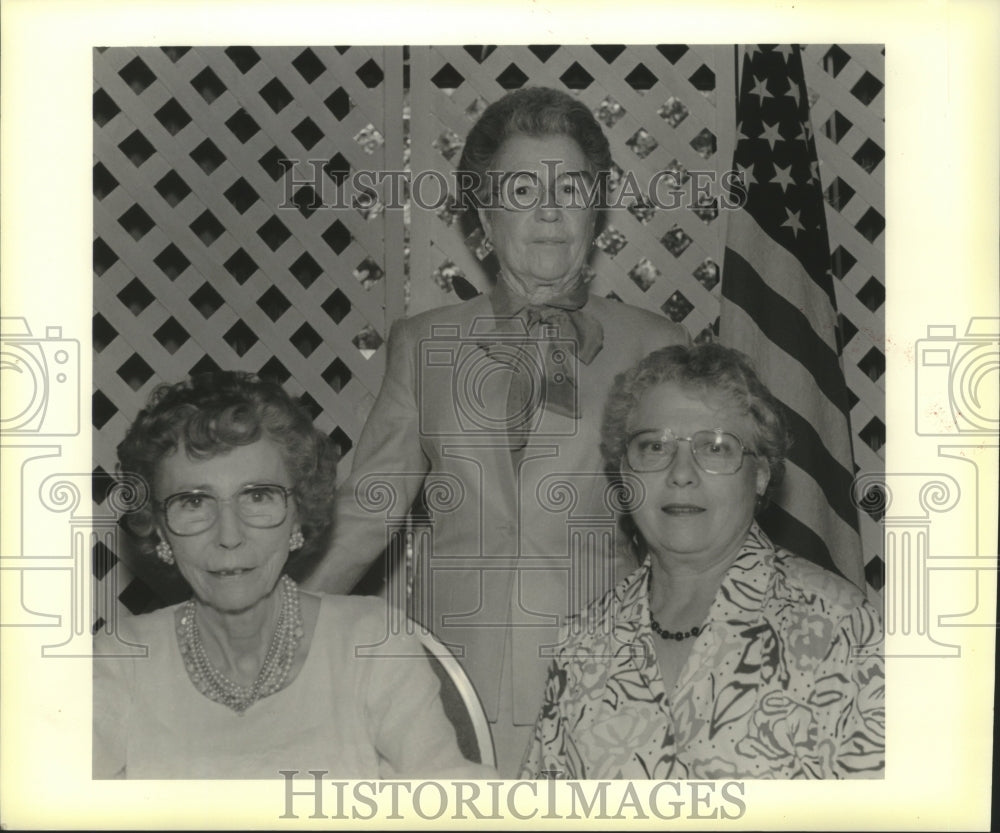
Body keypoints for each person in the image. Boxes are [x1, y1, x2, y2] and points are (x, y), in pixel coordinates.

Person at [304, 86, 688, 774]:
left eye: (569, 187)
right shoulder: (423, 343)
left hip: (612, 688)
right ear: (483, 213)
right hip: (449, 689)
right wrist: (278, 636)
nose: (547, 210)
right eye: (520, 189)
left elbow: (691, 524)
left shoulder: (656, 345)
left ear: (595, 208)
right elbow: (367, 512)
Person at [93, 372, 492, 779]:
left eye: (258, 496)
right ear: (159, 526)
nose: (229, 536)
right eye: (194, 502)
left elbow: (453, 796)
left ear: (298, 511)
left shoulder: (371, 640)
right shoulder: (122, 658)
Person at [521, 344, 885, 779]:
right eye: (654, 446)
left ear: (762, 474)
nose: (681, 472)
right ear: (624, 472)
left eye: (714, 448)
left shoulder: (843, 630)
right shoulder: (583, 644)